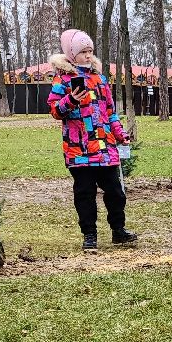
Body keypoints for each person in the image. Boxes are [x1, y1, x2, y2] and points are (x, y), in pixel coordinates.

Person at [47, 29, 136, 252]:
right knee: (84, 194)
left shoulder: (99, 79)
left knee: (115, 192)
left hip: (105, 148)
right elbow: (55, 111)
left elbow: (110, 112)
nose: (88, 55)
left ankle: (118, 230)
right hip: (79, 150)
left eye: (90, 51)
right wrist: (71, 100)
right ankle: (89, 235)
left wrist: (120, 134)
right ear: (71, 54)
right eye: (83, 52)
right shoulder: (62, 79)